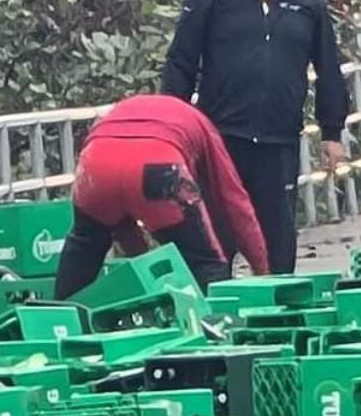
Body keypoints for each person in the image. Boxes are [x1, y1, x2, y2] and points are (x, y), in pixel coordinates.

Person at [161, 0, 350, 274]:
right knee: (217, 238)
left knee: (277, 241)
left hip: (279, 141)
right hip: (220, 142)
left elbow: (329, 68)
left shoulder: (308, 1)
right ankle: (214, 316)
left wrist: (332, 132)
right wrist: (173, 133)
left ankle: (279, 315)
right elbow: (180, 64)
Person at [55, 95, 270, 299]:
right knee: (206, 263)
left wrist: (143, 260)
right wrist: (263, 272)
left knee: (84, 250)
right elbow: (234, 201)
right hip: (159, 167)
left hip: (95, 164)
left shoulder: (125, 109)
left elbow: (120, 212)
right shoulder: (205, 128)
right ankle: (219, 327)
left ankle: (55, 322)